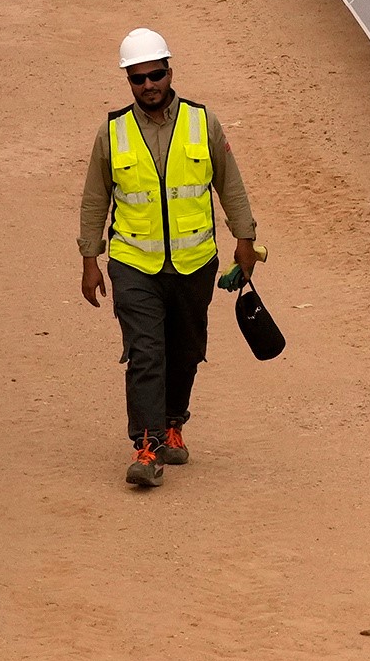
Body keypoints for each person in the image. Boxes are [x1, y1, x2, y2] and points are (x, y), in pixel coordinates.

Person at [77, 27, 264, 489]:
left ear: (169, 72)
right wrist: (89, 258)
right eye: (137, 79)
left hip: (194, 264)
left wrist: (245, 239)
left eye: (154, 75)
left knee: (185, 351)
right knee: (145, 351)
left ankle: (173, 423)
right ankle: (146, 444)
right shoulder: (113, 131)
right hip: (133, 263)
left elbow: (231, 186)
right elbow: (94, 198)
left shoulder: (204, 123)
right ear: (128, 80)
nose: (147, 86)